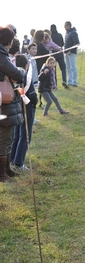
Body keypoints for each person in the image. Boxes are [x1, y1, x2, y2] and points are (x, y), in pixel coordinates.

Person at [0, 26, 25, 182]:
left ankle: (6, 169)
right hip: (4, 100)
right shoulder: (1, 55)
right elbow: (15, 73)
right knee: (5, 137)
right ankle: (2, 174)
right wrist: (21, 70)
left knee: (7, 136)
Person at [10, 54, 38, 173]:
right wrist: (35, 102)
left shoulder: (13, 76)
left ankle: (12, 158)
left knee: (17, 134)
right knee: (25, 135)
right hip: (27, 106)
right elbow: (31, 93)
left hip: (17, 106)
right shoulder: (26, 76)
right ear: (26, 65)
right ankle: (19, 162)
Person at [50, 24, 68, 88]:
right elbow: (63, 43)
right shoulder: (60, 35)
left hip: (53, 55)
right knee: (63, 68)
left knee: (53, 70)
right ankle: (64, 81)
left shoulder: (50, 36)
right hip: (60, 54)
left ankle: (55, 84)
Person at [64, 21, 80, 87]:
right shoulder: (67, 33)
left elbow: (77, 43)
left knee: (73, 67)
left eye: (65, 26)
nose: (64, 27)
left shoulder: (73, 33)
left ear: (68, 26)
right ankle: (69, 81)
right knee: (68, 68)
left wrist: (71, 51)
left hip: (71, 53)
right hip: (66, 53)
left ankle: (74, 82)